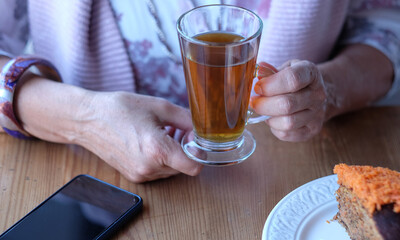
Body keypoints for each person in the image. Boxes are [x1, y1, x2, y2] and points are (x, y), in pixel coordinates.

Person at [0, 0, 399, 182]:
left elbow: (385, 24)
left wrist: (329, 87)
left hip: (287, 188)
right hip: (91, 186)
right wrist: (83, 119)